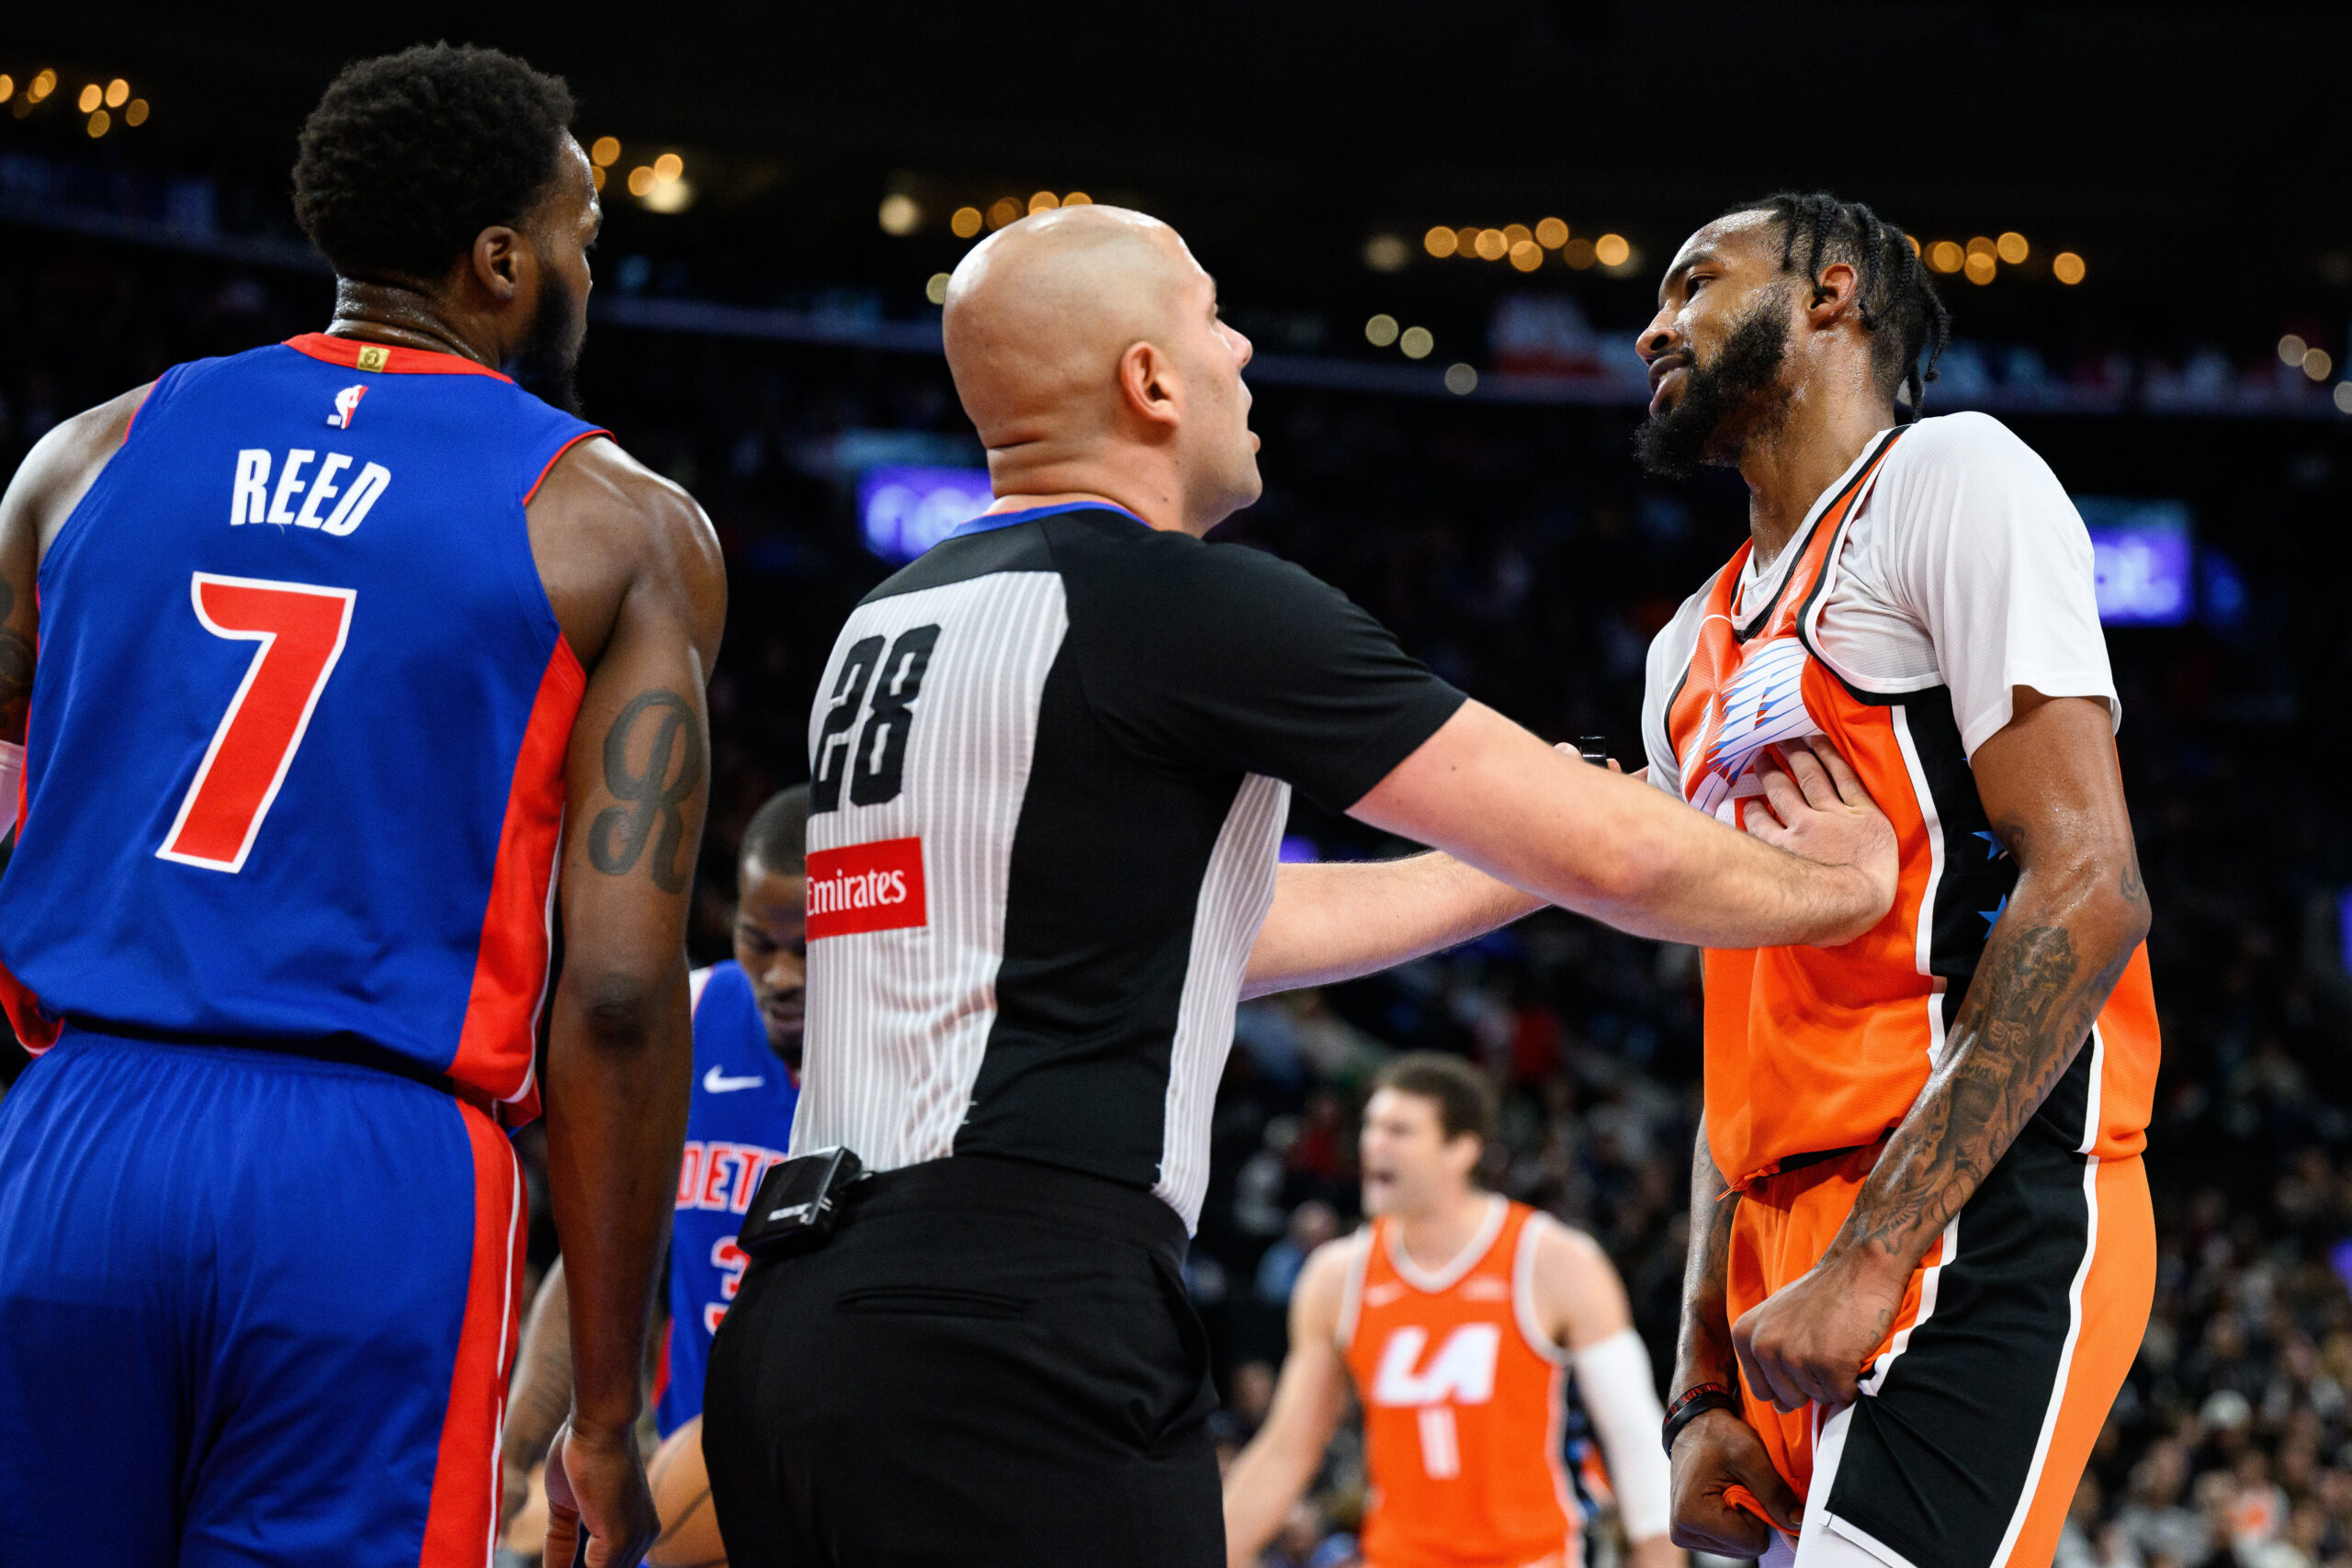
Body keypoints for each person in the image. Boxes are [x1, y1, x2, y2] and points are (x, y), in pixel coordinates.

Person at [700, 200, 1902, 1568]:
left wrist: (1506, 880)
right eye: (1215, 319)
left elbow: (1207, 931)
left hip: (796, 1333)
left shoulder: (889, 619)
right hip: (1011, 1323)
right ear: (1149, 381)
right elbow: (1614, 851)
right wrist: (1834, 884)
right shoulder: (1179, 602)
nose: (1245, 349)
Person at [0, 44, 724, 1568]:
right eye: (584, 231)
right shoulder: (622, 524)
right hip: (376, 1164)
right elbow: (610, 991)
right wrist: (602, 1401)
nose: (592, 265)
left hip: (73, 1137)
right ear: (502, 259)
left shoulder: (83, 457)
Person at [1632, 194, 2159, 1568]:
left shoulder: (1949, 480)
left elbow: (2092, 881)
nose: (1652, 326)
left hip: (1970, 1194)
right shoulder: (1682, 646)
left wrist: (1874, 1252)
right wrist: (1695, 1385)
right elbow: (1728, 1036)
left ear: (1831, 293)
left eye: (1694, 284)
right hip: (1771, 1241)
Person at [1225, 1054, 1681, 1568]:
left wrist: (1658, 1556)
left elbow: (1634, 1435)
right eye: (1371, 1126)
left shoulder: (1554, 1261)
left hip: (1531, 1556)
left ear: (1461, 1149)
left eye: (1400, 1130)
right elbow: (1286, 1451)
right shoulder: (1337, 1277)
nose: (1374, 1143)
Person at [502, 786, 809, 1548]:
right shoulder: (699, 1016)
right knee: (533, 1528)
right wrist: (516, 1453)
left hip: (824, 1480)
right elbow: (597, 1259)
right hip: (682, 1461)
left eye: (809, 948)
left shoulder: (903, 1063)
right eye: (757, 942)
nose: (780, 977)